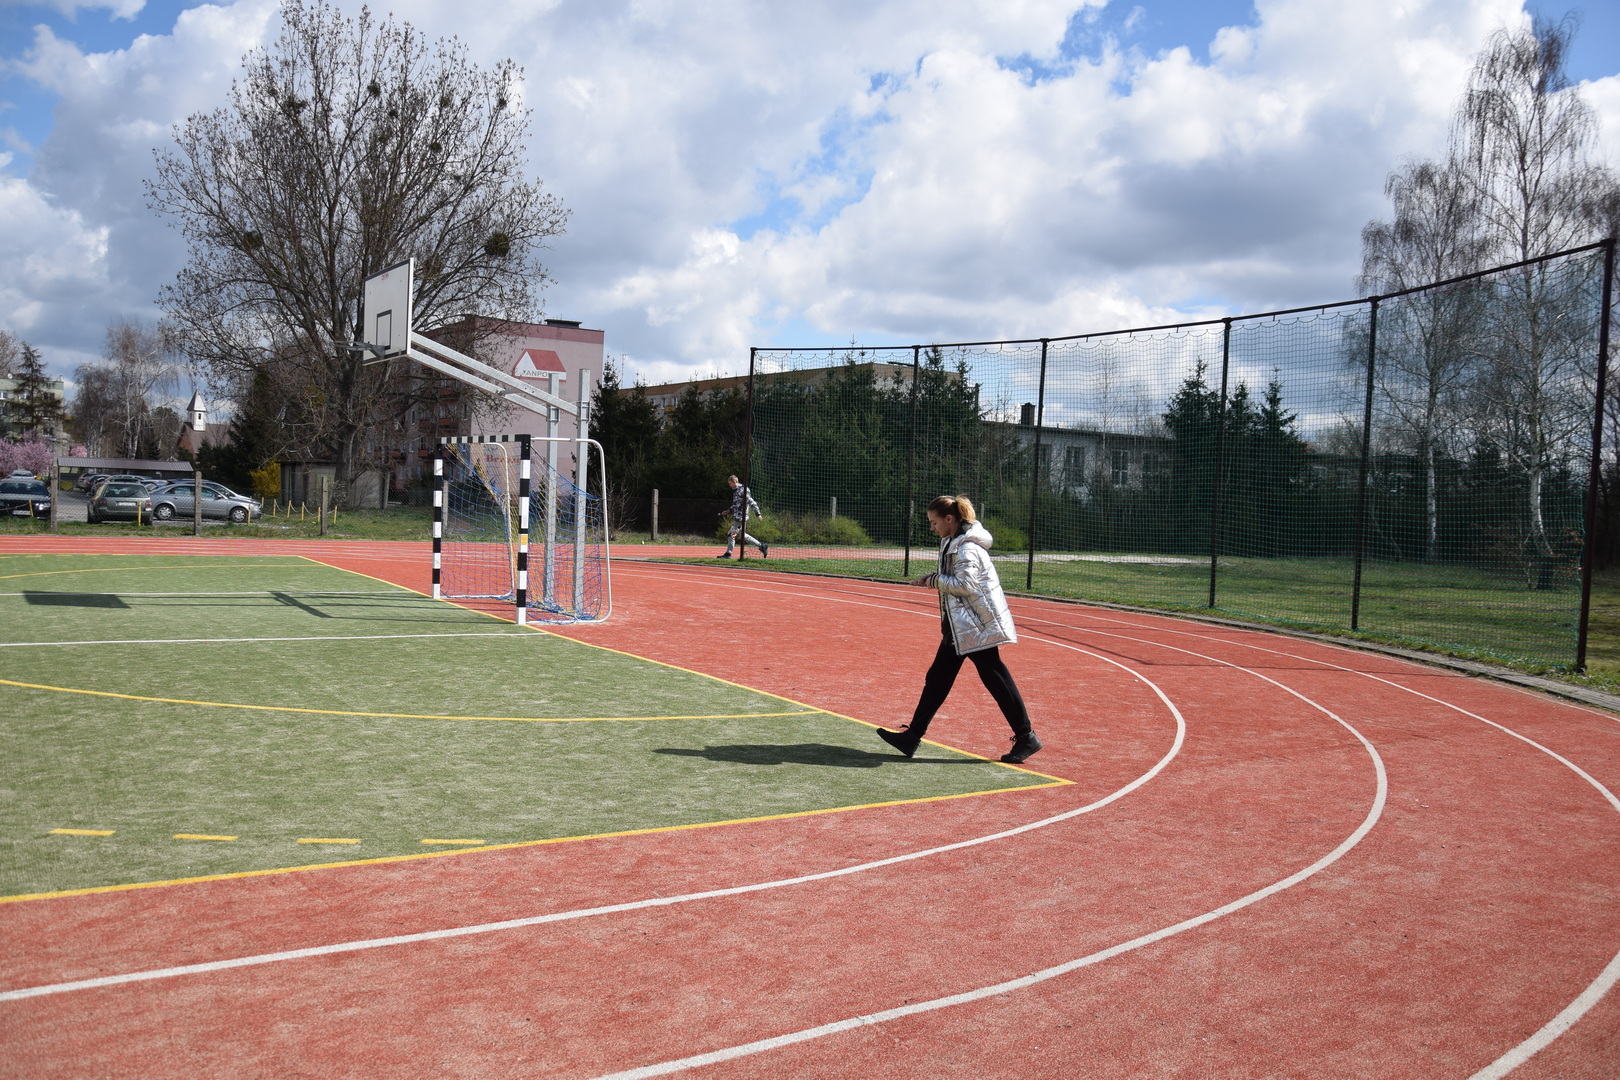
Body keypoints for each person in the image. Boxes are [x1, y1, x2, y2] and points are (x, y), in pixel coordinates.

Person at [876, 494, 1042, 764]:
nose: (932, 527)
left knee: (994, 679)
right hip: (964, 625)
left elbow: (966, 585)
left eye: (934, 522)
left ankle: (1026, 736)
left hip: (975, 626)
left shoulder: (966, 548)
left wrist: (932, 580)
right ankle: (913, 736)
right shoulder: (953, 541)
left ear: (949, 519)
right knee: (939, 679)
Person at [717, 474, 769, 559]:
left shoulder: (743, 490)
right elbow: (736, 504)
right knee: (742, 535)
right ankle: (762, 546)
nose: (729, 485)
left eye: (730, 483)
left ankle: (728, 554)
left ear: (735, 482)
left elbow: (752, 502)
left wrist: (758, 514)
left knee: (731, 534)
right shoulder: (735, 491)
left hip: (741, 517)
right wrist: (729, 510)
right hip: (738, 516)